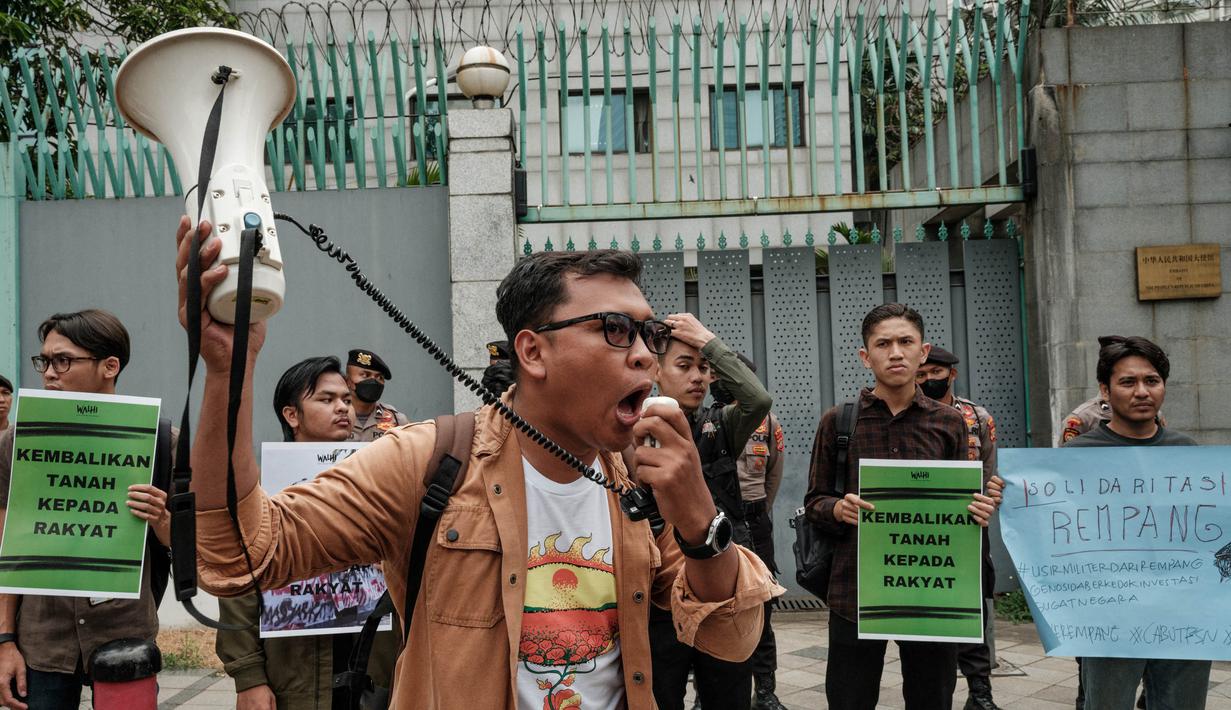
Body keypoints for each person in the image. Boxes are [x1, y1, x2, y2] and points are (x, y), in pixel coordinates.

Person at [175, 215, 781, 708]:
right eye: (618, 331)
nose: (648, 360)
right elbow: (241, 554)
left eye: (650, 336)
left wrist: (702, 522)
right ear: (533, 351)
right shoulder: (429, 460)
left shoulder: (637, 483)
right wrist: (229, 372)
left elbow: (730, 641)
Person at [804, 303, 998, 710]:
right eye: (883, 343)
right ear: (865, 356)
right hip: (854, 590)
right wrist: (837, 509)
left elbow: (961, 503)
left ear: (922, 352)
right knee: (849, 699)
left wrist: (978, 510)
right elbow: (815, 500)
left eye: (905, 342)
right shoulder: (839, 422)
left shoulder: (949, 423)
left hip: (930, 592)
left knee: (931, 698)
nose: (896, 352)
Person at [0, 309, 171, 710]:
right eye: (44, 361)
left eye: (64, 360)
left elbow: (195, 547)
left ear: (109, 366)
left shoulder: (160, 443)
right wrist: (4, 641)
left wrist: (162, 518)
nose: (49, 373)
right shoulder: (17, 443)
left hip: (124, 634)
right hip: (41, 640)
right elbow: (6, 551)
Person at [217, 355, 402, 710]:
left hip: (373, 677)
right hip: (294, 679)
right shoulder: (259, 493)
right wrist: (249, 678)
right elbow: (238, 590)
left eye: (346, 399)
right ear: (291, 415)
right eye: (326, 399)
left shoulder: (380, 485)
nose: (342, 408)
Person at [1064, 335, 1209, 710]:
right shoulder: (1077, 455)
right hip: (1110, 616)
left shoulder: (1188, 452)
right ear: (1105, 390)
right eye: (1128, 382)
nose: (1142, 392)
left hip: (1183, 616)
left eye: (1152, 381)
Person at [649, 315, 773, 710]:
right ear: (655, 370)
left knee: (727, 695)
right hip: (660, 590)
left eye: (704, 368)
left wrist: (707, 341)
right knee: (660, 694)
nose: (698, 377)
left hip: (721, 590)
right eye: (684, 366)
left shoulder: (721, 425)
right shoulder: (631, 430)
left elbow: (758, 400)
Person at [916, 346, 1005, 710]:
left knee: (972, 605)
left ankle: (979, 690)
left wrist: (989, 498)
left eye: (934, 373)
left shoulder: (977, 417)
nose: (927, 381)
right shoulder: (908, 414)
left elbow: (988, 468)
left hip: (966, 524)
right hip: (920, 526)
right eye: (921, 375)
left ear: (952, 374)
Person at [709, 353, 787, 710]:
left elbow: (774, 473)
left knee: (762, 607)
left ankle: (766, 691)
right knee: (714, 606)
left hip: (754, 521)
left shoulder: (767, 422)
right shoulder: (704, 421)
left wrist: (758, 510)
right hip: (714, 521)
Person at [343, 349, 409, 442]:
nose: (374, 381)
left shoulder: (397, 420)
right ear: (348, 381)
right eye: (365, 375)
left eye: (379, 377)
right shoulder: (334, 417)